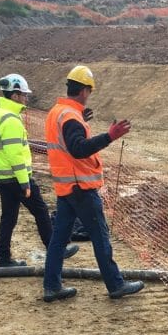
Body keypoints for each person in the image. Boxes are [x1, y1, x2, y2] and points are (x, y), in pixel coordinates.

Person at [42, 64, 144, 302]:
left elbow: (66, 140)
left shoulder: (58, 111)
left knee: (58, 239)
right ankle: (115, 284)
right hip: (81, 188)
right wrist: (109, 136)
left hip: (66, 186)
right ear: (85, 91)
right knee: (100, 236)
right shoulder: (70, 117)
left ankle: (52, 286)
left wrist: (81, 119)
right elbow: (78, 149)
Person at [0, 73, 78, 270]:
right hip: (16, 177)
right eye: (24, 94)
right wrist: (24, 182)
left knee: (8, 217)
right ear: (15, 95)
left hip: (1, 177)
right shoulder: (10, 120)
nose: (27, 98)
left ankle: (3, 258)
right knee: (41, 211)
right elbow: (15, 154)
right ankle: (56, 250)